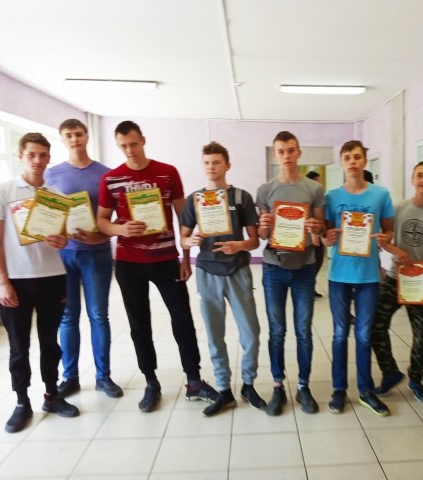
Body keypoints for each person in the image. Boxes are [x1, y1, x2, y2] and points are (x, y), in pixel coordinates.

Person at [97, 120, 217, 413]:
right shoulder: (111, 179)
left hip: (165, 260)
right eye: (123, 146)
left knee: (183, 320)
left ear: (143, 140)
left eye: (133, 144)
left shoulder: (167, 172)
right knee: (139, 325)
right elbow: (101, 221)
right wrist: (121, 230)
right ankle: (151, 382)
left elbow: (183, 219)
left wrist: (185, 258)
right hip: (129, 264)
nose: (130, 150)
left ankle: (194, 381)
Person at [0, 133, 80, 433]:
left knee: (50, 343)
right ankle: (21, 402)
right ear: (20, 155)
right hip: (16, 281)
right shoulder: (2, 191)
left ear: (49, 157)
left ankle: (52, 395)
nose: (38, 160)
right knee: (19, 347)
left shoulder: (56, 196)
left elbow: (62, 238)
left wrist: (62, 240)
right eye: (31, 154)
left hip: (52, 278)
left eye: (43, 155)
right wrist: (3, 282)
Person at [180, 141, 265, 416]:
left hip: (238, 271)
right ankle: (224, 390)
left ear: (227, 165)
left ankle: (248, 384)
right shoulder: (195, 200)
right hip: (207, 273)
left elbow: (254, 241)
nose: (211, 167)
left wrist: (239, 245)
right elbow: (183, 237)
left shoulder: (241, 197)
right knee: (215, 335)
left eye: (216, 162)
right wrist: (190, 241)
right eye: (207, 163)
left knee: (251, 333)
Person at [45, 119, 122, 399]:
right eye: (69, 135)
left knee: (99, 315)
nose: (74, 139)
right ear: (62, 139)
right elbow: (46, 214)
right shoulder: (51, 175)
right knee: (68, 317)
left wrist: (100, 237)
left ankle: (104, 377)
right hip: (63, 255)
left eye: (78, 134)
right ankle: (71, 377)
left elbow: (118, 218)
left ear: (87, 136)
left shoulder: (106, 174)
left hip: (97, 255)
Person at [256, 131, 325, 416]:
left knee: (303, 331)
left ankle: (303, 387)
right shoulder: (265, 190)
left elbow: (319, 232)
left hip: (304, 266)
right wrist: (264, 225)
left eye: (291, 150)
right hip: (273, 266)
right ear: (276, 155)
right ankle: (277, 387)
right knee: (277, 331)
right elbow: (261, 236)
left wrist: (315, 228)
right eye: (281, 151)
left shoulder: (313, 188)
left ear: (299, 152)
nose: (286, 155)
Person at [323, 140, 394, 416]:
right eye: (347, 157)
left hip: (368, 276)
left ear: (364, 161)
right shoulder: (331, 197)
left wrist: (385, 239)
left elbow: (388, 232)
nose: (352, 162)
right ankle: (339, 389)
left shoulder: (380, 195)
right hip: (339, 275)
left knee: (364, 336)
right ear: (342, 163)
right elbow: (326, 238)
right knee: (340, 335)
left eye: (356, 157)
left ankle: (365, 390)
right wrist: (327, 237)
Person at [371, 161, 423, 402]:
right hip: (396, 278)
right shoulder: (398, 208)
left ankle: (416, 379)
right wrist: (397, 251)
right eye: (420, 175)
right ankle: (390, 372)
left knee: (421, 334)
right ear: (413, 179)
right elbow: (384, 240)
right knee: (375, 325)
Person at [306, 171, 324, 298]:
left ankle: (311, 287)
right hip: (312, 235)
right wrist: (315, 235)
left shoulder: (317, 194)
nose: (319, 183)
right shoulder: (308, 195)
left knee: (318, 261)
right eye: (317, 180)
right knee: (315, 262)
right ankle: (310, 288)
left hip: (318, 232)